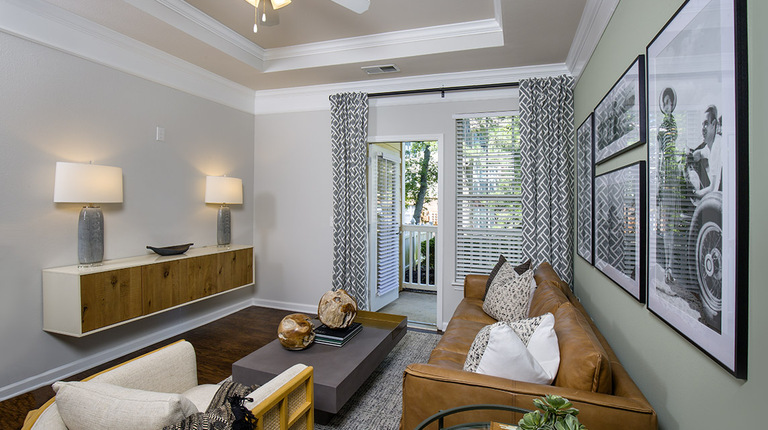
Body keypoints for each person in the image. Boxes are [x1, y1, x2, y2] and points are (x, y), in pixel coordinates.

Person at [657, 87, 686, 284]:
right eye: (665, 102)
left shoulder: (673, 124)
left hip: (673, 175)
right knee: (667, 223)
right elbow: (660, 152)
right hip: (666, 176)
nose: (668, 106)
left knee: (671, 224)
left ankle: (669, 266)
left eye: (670, 103)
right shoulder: (664, 125)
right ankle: (667, 266)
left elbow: (674, 149)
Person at [686, 105, 723, 198]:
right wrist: (689, 156)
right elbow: (700, 154)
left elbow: (713, 188)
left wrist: (694, 194)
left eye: (706, 123)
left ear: (714, 124)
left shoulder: (717, 147)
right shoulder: (709, 146)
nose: (703, 128)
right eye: (702, 124)